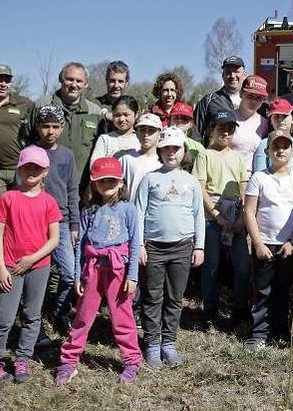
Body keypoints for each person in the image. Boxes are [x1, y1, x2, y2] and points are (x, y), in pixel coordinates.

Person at [55, 157, 143, 385]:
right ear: (94, 184)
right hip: (92, 270)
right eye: (102, 181)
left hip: (118, 270)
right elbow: (80, 246)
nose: (107, 184)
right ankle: (68, 361)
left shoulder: (128, 210)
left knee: (122, 317)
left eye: (112, 181)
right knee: (83, 317)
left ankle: (132, 361)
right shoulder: (88, 210)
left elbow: (135, 244)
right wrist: (77, 275)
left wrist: (132, 275)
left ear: (121, 182)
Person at [0, 146, 61, 384]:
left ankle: (23, 357)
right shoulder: (8, 198)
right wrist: (1, 268)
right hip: (10, 268)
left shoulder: (49, 202)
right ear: (19, 168)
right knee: (4, 318)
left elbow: (54, 239)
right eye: (27, 165)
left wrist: (32, 258)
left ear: (45, 171)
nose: (32, 170)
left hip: (38, 267)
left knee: (32, 315)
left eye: (37, 167)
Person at [136, 127, 206, 368]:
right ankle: (153, 344)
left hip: (182, 248)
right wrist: (139, 245)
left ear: (184, 151)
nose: (170, 153)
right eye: (165, 148)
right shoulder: (150, 180)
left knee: (175, 298)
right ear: (159, 151)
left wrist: (200, 246)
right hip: (153, 247)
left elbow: (199, 215)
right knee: (153, 297)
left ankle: (169, 342)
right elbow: (139, 213)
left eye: (175, 148)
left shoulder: (191, 182)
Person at [244, 130, 293, 352]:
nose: (280, 150)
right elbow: (249, 212)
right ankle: (259, 333)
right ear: (267, 151)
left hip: (288, 246)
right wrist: (257, 243)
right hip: (265, 243)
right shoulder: (259, 178)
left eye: (285, 146)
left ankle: (282, 331)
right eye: (276, 146)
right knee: (262, 291)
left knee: (284, 290)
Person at [193, 110, 250, 327]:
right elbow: (200, 189)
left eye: (229, 129)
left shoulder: (237, 158)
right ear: (212, 129)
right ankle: (209, 311)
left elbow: (244, 189)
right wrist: (217, 216)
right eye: (220, 128)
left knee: (242, 266)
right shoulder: (204, 156)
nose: (225, 132)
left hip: (236, 216)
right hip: (212, 218)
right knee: (212, 266)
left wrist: (241, 218)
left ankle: (240, 311)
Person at [0, 63, 34, 283]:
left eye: (6, 79)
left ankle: (18, 262)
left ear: (11, 82)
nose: (2, 83)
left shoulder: (25, 104)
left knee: (20, 218)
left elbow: (33, 134)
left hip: (19, 171)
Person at [33, 105, 81, 334]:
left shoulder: (67, 155)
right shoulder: (31, 152)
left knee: (70, 273)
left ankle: (60, 312)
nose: (50, 131)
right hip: (36, 223)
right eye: (45, 126)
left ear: (62, 128)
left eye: (55, 127)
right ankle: (34, 315)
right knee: (37, 273)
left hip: (61, 223)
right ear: (37, 127)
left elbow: (73, 191)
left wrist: (73, 225)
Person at [47, 61, 103, 178]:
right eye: (69, 79)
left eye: (79, 81)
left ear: (86, 85)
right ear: (61, 80)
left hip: (82, 184)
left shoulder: (95, 112)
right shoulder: (43, 106)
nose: (74, 84)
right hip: (47, 181)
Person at [194, 55, 246, 144]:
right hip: (215, 156)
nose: (232, 76)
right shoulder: (208, 101)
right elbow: (196, 135)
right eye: (228, 72)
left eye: (236, 71)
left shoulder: (254, 102)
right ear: (223, 75)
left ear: (244, 75)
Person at [253, 98, 293, 173]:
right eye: (276, 116)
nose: (281, 120)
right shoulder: (264, 144)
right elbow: (259, 174)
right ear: (271, 121)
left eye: (285, 116)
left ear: (292, 120)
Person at [118, 113, 163, 202]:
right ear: (137, 132)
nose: (146, 134)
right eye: (142, 130)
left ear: (159, 133)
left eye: (151, 130)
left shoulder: (163, 162)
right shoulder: (126, 159)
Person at [232, 76, 270, 176]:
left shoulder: (265, 124)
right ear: (241, 94)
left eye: (259, 98)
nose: (254, 101)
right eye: (250, 96)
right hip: (228, 176)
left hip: (251, 180)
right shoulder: (228, 118)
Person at [89, 95, 140, 165]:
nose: (122, 119)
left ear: (136, 115)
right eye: (117, 115)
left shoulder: (141, 139)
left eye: (126, 115)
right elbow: (95, 165)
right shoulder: (105, 139)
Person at [96, 61, 131, 134]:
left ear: (126, 83)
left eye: (120, 81)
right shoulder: (95, 104)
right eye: (112, 81)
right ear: (106, 81)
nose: (116, 85)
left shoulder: (132, 107)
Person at [168, 101, 205, 165]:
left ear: (191, 124)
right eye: (176, 118)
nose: (179, 121)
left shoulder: (198, 147)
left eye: (184, 118)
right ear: (170, 121)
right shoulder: (159, 142)